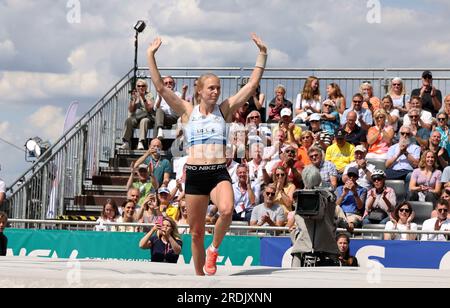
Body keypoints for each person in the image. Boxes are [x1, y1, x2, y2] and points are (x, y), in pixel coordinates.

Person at [147, 33, 267, 276]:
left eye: (218, 88)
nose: (216, 92)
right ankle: (200, 279)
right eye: (211, 88)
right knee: (196, 233)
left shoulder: (225, 110)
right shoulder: (188, 111)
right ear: (199, 90)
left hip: (217, 172)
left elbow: (251, 86)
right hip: (195, 174)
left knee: (226, 210)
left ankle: (214, 249)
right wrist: (150, 55)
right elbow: (160, 87)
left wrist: (262, 54)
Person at [290, 165, 340, 267]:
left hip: (324, 248)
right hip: (306, 247)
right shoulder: (299, 196)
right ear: (318, 179)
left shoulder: (328, 197)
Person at [120, 79, 155, 150]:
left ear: (146, 87)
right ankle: (126, 142)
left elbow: (149, 109)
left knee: (144, 120)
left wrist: (143, 97)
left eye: (143, 86)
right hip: (136, 118)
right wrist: (133, 100)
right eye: (139, 86)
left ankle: (141, 142)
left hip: (148, 118)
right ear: (136, 87)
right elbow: (131, 110)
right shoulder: (135, 95)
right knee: (128, 120)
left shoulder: (149, 95)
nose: (141, 87)